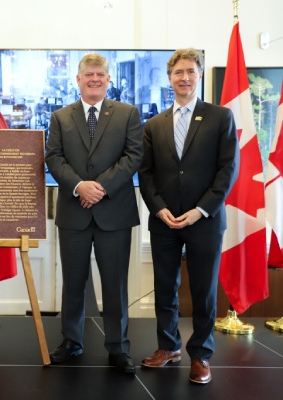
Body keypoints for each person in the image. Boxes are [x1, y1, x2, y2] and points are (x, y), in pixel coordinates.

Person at [138, 48, 239, 384]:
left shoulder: (220, 117)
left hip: (205, 221)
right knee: (164, 286)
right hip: (164, 220)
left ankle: (201, 355)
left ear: (199, 75)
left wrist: (200, 210)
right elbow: (146, 174)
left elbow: (228, 170)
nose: (184, 78)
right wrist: (159, 208)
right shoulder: (153, 124)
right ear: (170, 78)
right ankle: (169, 347)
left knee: (203, 290)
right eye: (178, 72)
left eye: (190, 72)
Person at [45, 53, 143, 374]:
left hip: (113, 211)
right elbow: (54, 158)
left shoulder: (127, 114)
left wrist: (98, 187)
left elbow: (133, 156)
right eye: (89, 74)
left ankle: (118, 347)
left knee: (115, 284)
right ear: (78, 79)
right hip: (74, 212)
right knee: (73, 281)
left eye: (101, 74)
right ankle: (72, 342)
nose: (95, 79)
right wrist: (78, 187)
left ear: (109, 79)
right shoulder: (60, 116)